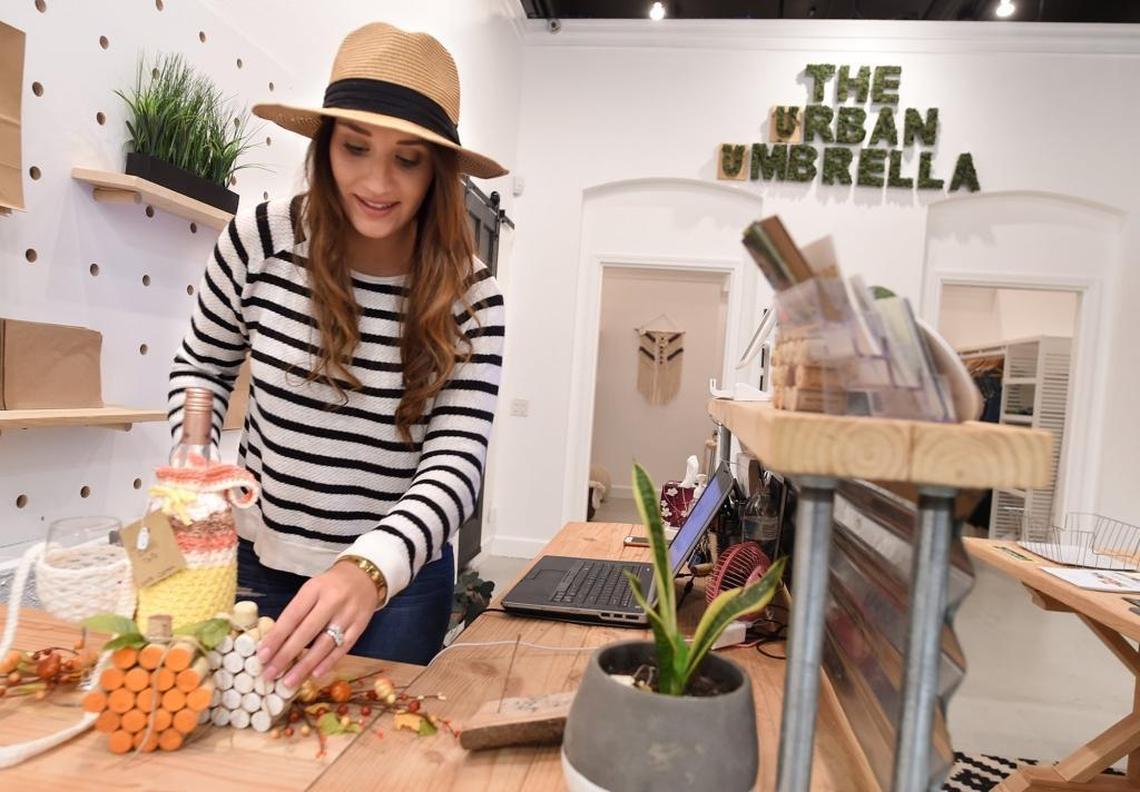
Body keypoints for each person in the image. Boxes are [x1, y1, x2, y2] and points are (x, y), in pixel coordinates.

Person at [168, 22, 507, 684]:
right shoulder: (257, 242)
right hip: (256, 564)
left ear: (437, 171)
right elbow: (198, 371)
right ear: (325, 146)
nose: (377, 182)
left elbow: (456, 463)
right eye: (356, 148)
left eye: (407, 159)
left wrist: (370, 567)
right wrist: (196, 464)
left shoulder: (474, 296)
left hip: (399, 587)